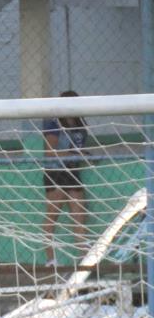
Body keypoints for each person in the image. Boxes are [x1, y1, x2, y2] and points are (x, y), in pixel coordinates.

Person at [42, 90, 90, 267]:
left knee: (79, 213)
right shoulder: (53, 122)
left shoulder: (80, 123)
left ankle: (85, 258)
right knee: (52, 215)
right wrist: (74, 154)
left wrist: (83, 155)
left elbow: (78, 148)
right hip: (55, 172)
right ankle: (51, 260)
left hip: (72, 171)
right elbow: (49, 152)